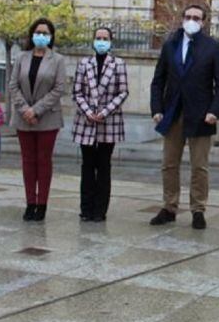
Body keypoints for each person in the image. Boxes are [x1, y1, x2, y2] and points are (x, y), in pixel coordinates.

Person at [150, 4, 219, 230]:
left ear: (203, 22)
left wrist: (215, 110)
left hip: (201, 115)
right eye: (188, 16)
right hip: (173, 112)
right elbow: (158, 80)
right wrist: (157, 108)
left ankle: (198, 209)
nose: (191, 20)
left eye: (196, 17)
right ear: (182, 18)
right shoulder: (170, 45)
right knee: (169, 164)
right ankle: (169, 206)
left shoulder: (212, 48)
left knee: (199, 166)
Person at [9, 17, 67, 223]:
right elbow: (13, 85)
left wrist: (37, 110)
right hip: (23, 118)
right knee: (28, 161)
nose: (41, 36)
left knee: (44, 161)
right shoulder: (21, 58)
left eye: (45, 33)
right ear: (32, 34)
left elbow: (59, 88)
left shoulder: (58, 60)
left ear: (50, 37)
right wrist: (25, 109)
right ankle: (29, 203)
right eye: (38, 32)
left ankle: (42, 204)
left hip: (47, 118)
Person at [72, 27, 129, 222]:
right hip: (86, 121)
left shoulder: (119, 64)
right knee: (87, 166)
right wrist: (89, 111)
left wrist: (104, 112)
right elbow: (77, 92)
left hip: (109, 121)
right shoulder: (83, 63)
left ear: (111, 41)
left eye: (105, 38)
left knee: (104, 166)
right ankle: (86, 208)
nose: (101, 41)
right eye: (98, 38)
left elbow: (123, 92)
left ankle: (100, 210)